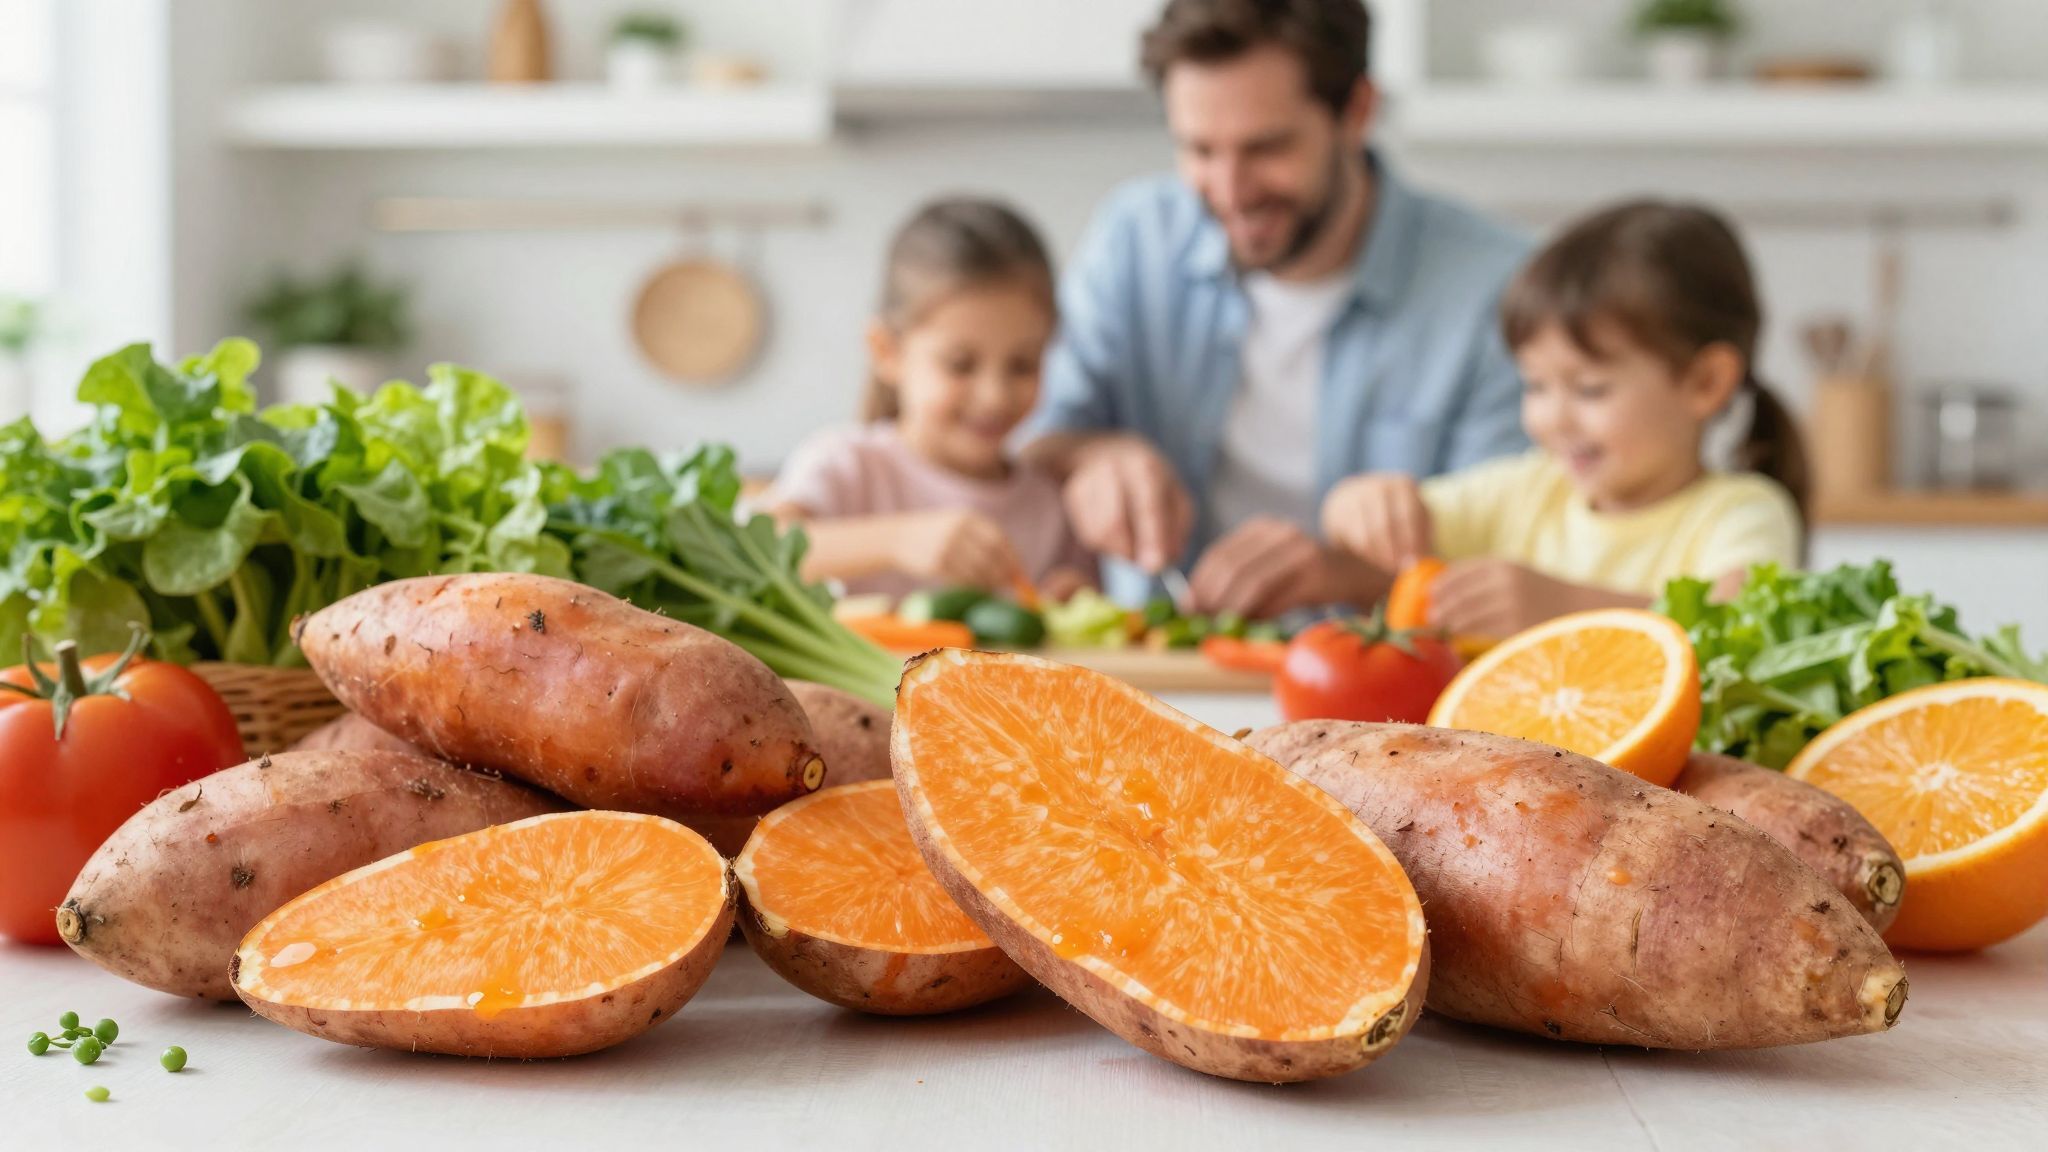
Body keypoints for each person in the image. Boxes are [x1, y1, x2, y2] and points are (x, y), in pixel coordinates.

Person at [1020, 0, 1531, 617]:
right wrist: (1097, 456)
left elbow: (1520, 545)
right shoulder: (1135, 239)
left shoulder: (1498, 287)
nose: (1231, 192)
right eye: (1201, 151)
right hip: (1168, 667)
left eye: (1266, 148)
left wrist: (1341, 572)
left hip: (1396, 687)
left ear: (1357, 111)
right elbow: (1027, 444)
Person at [1320, 200, 1808, 638]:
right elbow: (1372, 523)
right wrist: (1357, 502)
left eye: (1589, 389)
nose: (1553, 419)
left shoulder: (1741, 513)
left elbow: (1742, 631)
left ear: (1706, 383)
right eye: (1535, 386)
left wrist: (1563, 608)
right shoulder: (1526, 492)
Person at [766, 198, 1095, 600]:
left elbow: (1076, 615)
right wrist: (896, 540)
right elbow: (755, 547)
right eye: (961, 365)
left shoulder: (1050, 506)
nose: (994, 396)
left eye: (1023, 364)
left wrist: (1074, 595)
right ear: (888, 351)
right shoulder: (846, 465)